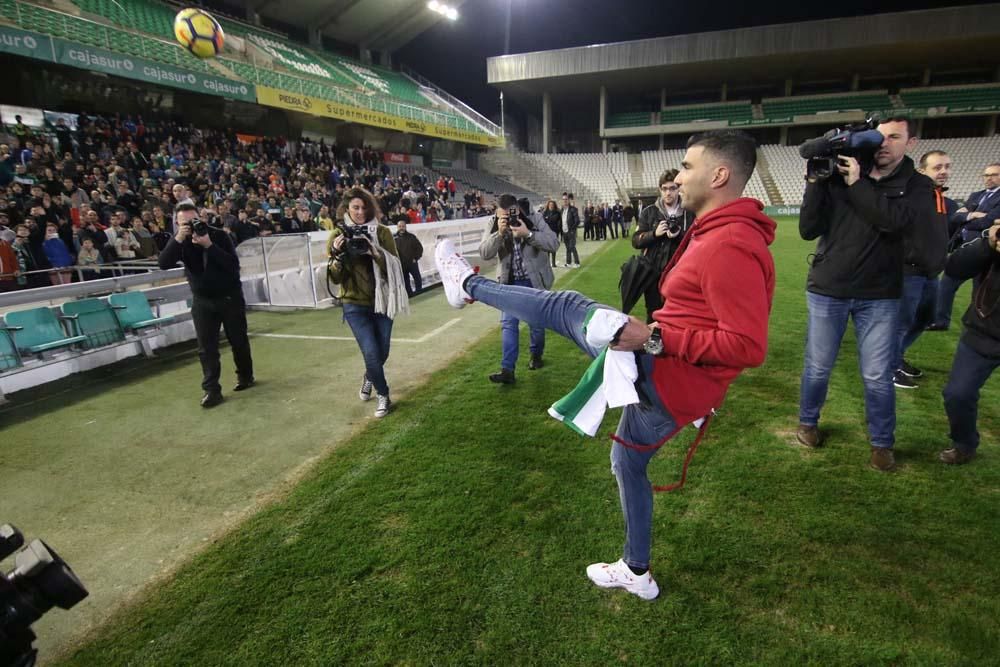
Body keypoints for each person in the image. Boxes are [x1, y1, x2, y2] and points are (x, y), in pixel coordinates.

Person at [434, 129, 774, 600]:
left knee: (566, 306)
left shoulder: (730, 242)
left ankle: (467, 284)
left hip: (665, 373)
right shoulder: (719, 231)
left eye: (689, 167)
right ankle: (637, 571)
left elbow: (747, 346)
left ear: (719, 175)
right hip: (678, 383)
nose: (678, 176)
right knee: (627, 462)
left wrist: (655, 335)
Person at [796, 116, 940, 472]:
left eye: (894, 137)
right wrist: (817, 181)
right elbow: (808, 228)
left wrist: (857, 184)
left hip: (881, 294)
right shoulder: (839, 173)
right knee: (817, 366)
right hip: (828, 288)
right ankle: (807, 422)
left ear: (910, 143)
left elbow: (894, 221)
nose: (884, 143)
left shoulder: (918, 185)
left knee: (877, 374)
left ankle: (881, 443)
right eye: (880, 136)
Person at [158, 202, 254, 408]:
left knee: (238, 340)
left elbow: (233, 266)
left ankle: (245, 376)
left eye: (194, 220)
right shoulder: (179, 241)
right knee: (206, 348)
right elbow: (164, 263)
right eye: (184, 223)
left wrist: (208, 246)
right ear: (176, 223)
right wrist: (178, 238)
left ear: (201, 218)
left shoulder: (219, 235)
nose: (191, 226)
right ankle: (211, 390)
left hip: (229, 297)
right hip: (202, 301)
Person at [327, 187, 408, 419]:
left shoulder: (382, 233)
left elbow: (395, 267)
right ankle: (384, 395)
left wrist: (375, 252)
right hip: (354, 304)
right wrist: (337, 254)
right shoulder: (337, 235)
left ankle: (369, 377)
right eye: (355, 207)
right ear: (347, 209)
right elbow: (334, 278)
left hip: (383, 302)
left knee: (382, 351)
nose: (360, 212)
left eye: (364, 208)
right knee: (371, 353)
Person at [478, 194, 559, 383]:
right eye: (503, 215)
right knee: (508, 324)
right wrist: (499, 234)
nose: (509, 218)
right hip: (509, 283)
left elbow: (553, 243)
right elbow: (484, 253)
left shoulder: (534, 217)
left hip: (534, 282)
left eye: (511, 213)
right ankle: (508, 370)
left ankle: (536, 355)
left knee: (537, 325)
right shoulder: (494, 222)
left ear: (518, 208)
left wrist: (528, 234)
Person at [939, 220, 1000, 465]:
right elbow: (954, 267)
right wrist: (987, 243)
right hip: (984, 332)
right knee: (958, 394)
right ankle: (964, 444)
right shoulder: (992, 237)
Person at [891, 150, 952, 388]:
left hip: (931, 273)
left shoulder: (940, 198)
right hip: (910, 271)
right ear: (922, 170)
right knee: (901, 322)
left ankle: (897, 356)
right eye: (937, 167)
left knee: (925, 318)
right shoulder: (913, 196)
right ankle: (890, 367)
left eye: (947, 166)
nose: (944, 171)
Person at [929, 162, 1000, 331]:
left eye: (994, 175)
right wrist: (973, 216)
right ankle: (940, 321)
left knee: (980, 288)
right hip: (964, 248)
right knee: (947, 282)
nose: (989, 178)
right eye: (986, 175)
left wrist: (968, 216)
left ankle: (978, 325)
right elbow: (955, 218)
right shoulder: (976, 194)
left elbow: (990, 221)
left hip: (985, 250)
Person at [631, 169, 695, 323]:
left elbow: (697, 242)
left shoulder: (689, 212)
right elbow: (636, 241)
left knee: (676, 314)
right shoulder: (649, 212)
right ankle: (653, 346)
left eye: (673, 188)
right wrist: (654, 233)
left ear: (678, 189)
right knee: (653, 313)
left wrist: (679, 236)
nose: (668, 193)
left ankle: (672, 345)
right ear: (660, 189)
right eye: (664, 188)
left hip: (678, 273)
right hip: (652, 273)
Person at [394, 219, 424, 297]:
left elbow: (419, 248)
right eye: (400, 226)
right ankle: (410, 295)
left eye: (403, 226)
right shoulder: (394, 238)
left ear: (405, 227)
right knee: (405, 281)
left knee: (417, 278)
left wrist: (415, 258)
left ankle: (419, 292)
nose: (401, 228)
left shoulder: (411, 237)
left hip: (412, 263)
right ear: (397, 227)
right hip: (401, 264)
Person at [560, 192, 580, 268]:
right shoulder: (562, 209)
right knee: (567, 247)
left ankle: (577, 263)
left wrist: (572, 229)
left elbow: (577, 221)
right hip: (564, 232)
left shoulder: (573, 209)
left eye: (566, 199)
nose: (565, 201)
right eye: (563, 199)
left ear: (569, 200)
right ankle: (568, 263)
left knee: (572, 247)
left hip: (570, 231)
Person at [542, 200, 562, 268]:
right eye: (550, 204)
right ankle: (547, 263)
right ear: (548, 205)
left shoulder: (557, 213)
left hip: (554, 232)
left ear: (554, 205)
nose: (551, 205)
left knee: (553, 248)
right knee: (547, 248)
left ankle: (553, 263)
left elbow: (558, 222)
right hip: (546, 233)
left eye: (552, 204)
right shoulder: (545, 213)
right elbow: (543, 222)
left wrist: (559, 231)